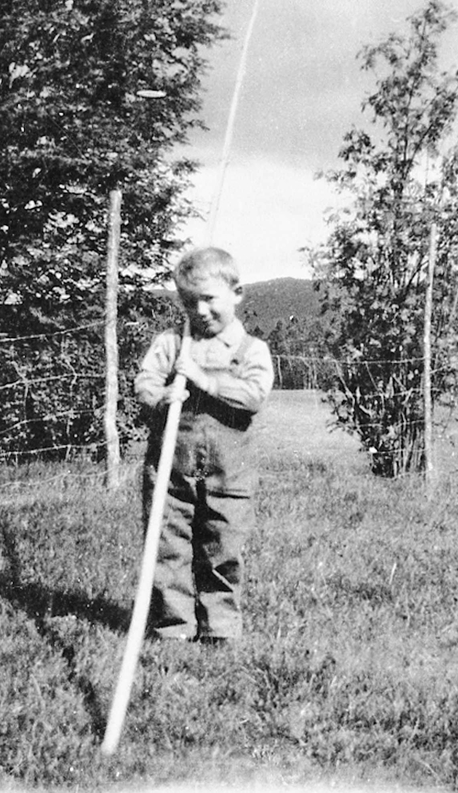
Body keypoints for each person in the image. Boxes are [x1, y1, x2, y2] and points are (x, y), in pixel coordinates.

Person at [134, 247, 274, 643]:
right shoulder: (171, 344)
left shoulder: (252, 350)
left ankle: (220, 630)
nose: (200, 310)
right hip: (170, 469)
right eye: (188, 301)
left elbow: (253, 396)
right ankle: (173, 628)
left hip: (229, 475)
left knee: (222, 550)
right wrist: (160, 396)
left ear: (237, 293)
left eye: (209, 299)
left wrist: (204, 380)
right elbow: (145, 382)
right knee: (168, 547)